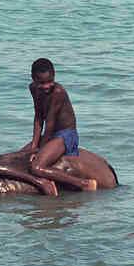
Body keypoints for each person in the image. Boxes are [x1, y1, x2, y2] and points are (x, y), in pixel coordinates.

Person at [25, 59, 97, 191]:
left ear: (54, 76)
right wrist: (34, 146)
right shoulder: (33, 89)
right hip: (52, 135)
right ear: (33, 79)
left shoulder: (58, 92)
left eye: (50, 81)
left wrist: (40, 150)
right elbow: (38, 117)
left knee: (36, 167)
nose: (47, 86)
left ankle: (83, 184)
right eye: (42, 83)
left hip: (65, 134)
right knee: (24, 154)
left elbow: (50, 123)